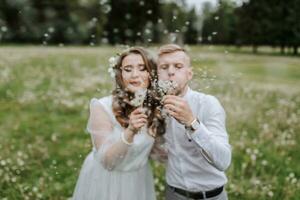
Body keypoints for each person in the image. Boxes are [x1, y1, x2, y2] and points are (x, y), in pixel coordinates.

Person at [72, 47, 165, 200]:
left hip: (138, 181)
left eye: (142, 69)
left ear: (151, 75)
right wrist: (130, 131)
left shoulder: (154, 108)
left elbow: (157, 153)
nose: (135, 75)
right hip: (106, 181)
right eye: (128, 69)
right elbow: (108, 162)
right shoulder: (102, 107)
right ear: (120, 75)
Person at [157, 44, 232, 200]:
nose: (170, 71)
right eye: (164, 67)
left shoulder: (208, 104)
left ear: (189, 74)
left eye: (178, 66)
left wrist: (191, 122)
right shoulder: (155, 107)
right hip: (174, 194)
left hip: (211, 196)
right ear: (157, 75)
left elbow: (224, 161)